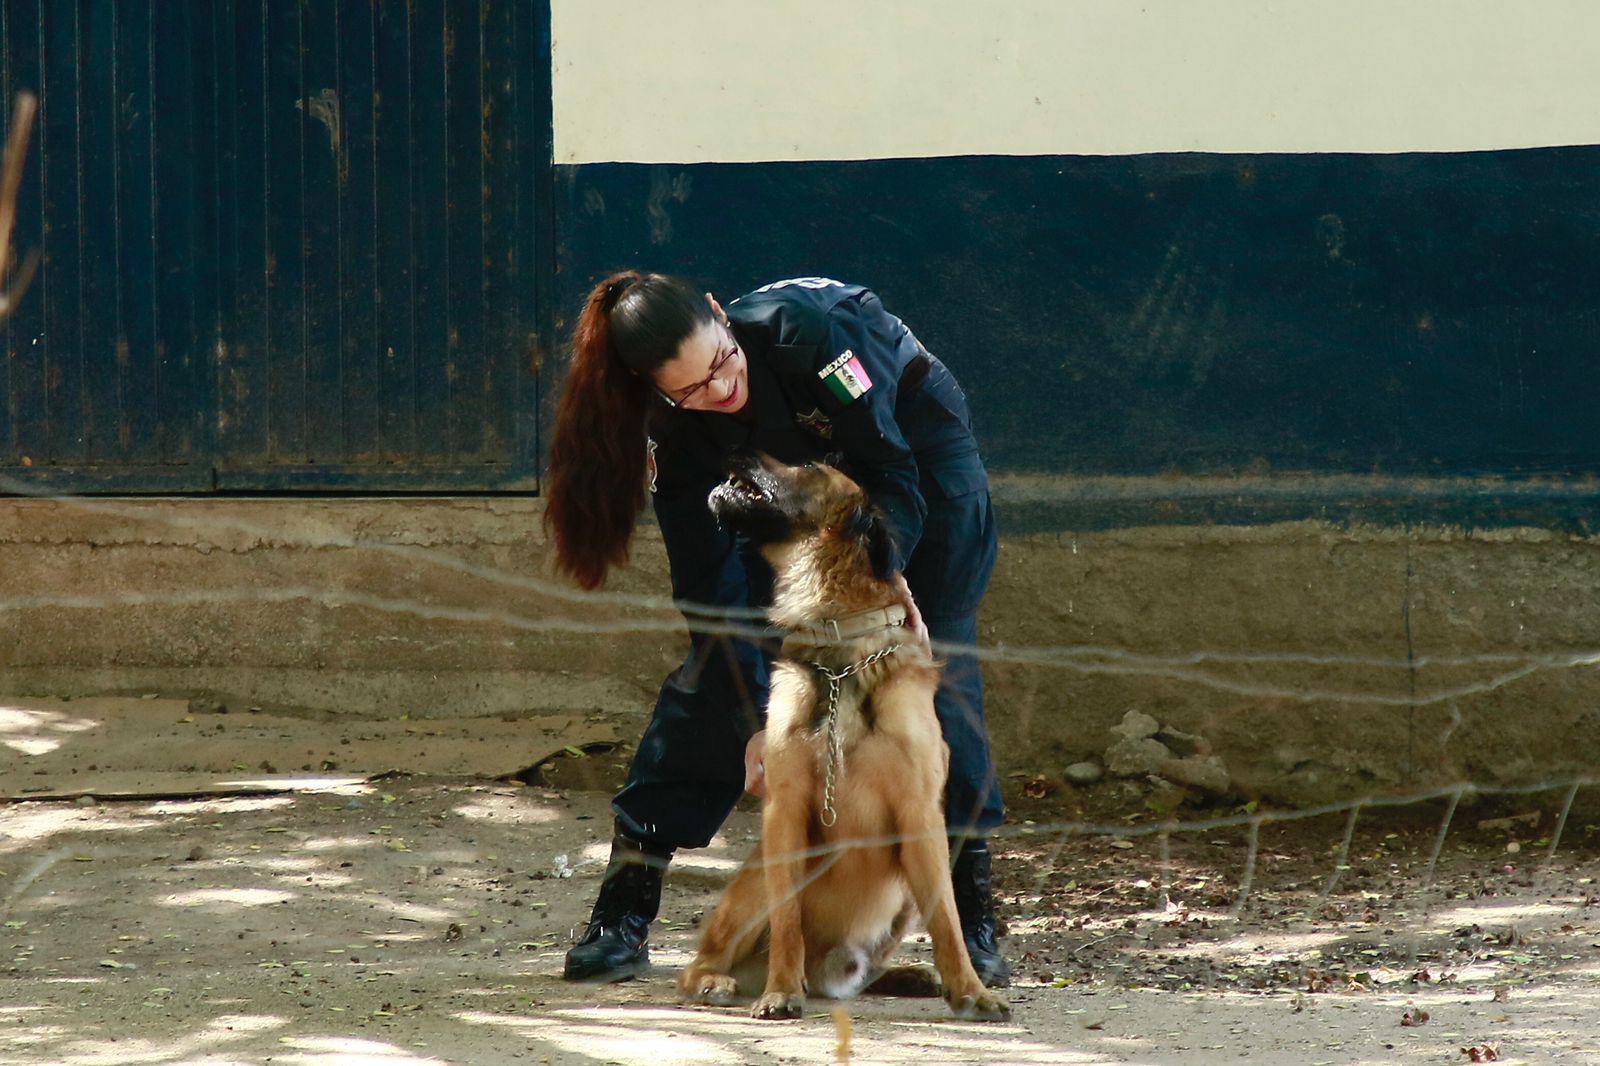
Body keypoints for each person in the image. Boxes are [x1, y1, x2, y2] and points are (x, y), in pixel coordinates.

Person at [544, 272, 1008, 987]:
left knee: (930, 675)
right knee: (714, 685)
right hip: (786, 505)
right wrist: (753, 714)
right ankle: (624, 909)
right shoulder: (673, 425)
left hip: (916, 476)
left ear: (718, 314)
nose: (719, 392)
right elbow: (708, 586)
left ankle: (974, 919)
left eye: (722, 363)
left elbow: (891, 470)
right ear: (656, 389)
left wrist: (884, 575)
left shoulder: (815, 337)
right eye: (690, 390)